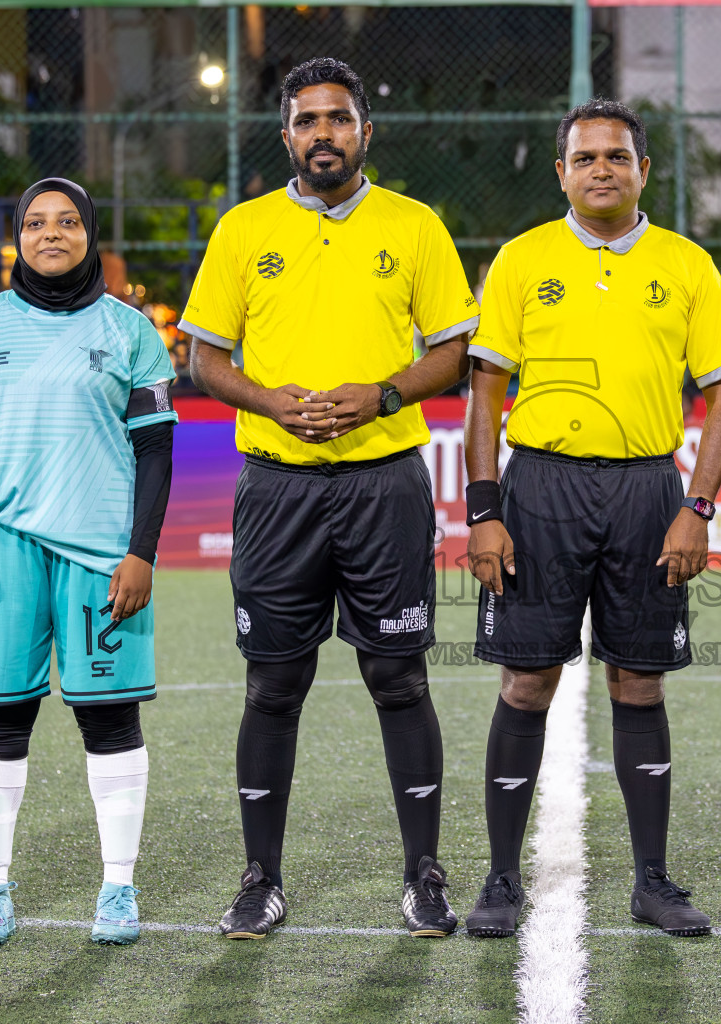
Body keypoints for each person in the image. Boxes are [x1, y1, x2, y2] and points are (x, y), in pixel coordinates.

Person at [180, 57, 478, 941]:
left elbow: (455, 351)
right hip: (276, 488)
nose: (323, 134)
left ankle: (423, 873)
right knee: (273, 684)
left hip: (384, 482)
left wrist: (383, 394)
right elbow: (203, 358)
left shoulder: (415, 226)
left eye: (339, 119)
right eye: (307, 121)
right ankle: (260, 879)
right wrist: (272, 401)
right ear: (286, 135)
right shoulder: (243, 229)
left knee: (397, 675)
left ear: (364, 133)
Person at [461, 99, 721, 940]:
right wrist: (485, 511)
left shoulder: (687, 265)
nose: (600, 170)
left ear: (643, 170)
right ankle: (503, 881)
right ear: (561, 173)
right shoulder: (520, 261)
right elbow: (484, 393)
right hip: (539, 489)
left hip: (647, 493)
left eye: (616, 157)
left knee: (640, 680)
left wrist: (698, 506)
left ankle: (653, 882)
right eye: (584, 158)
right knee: (525, 681)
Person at [0, 178, 178, 948]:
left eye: (68, 222)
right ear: (17, 239)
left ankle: (119, 888)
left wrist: (141, 552)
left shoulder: (131, 330)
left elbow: (156, 448)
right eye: (36, 222)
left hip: (102, 551)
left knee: (108, 714)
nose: (51, 234)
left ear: (90, 235)